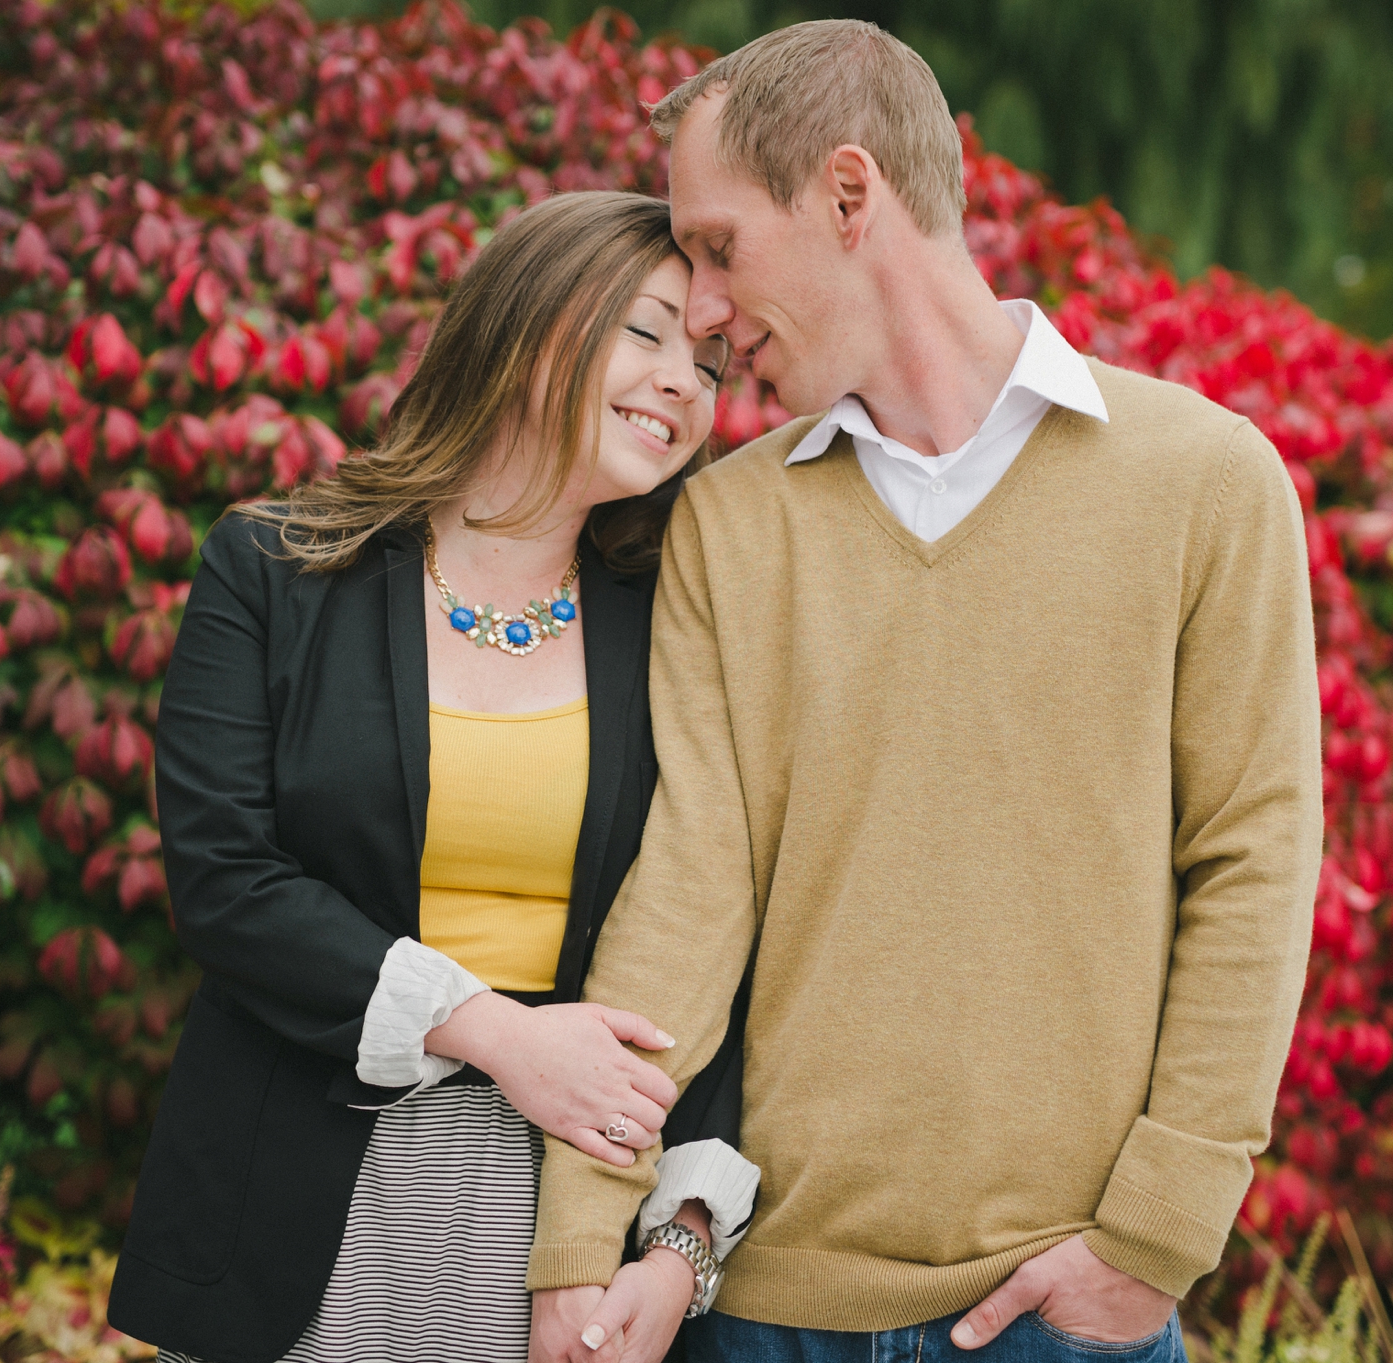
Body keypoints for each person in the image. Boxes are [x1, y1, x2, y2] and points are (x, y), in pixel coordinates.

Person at [526, 22, 1323, 1363]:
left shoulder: (1206, 481)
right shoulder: (731, 522)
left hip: (1065, 1316)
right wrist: (577, 1236)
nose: (704, 312)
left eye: (721, 248)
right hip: (767, 1308)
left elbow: (1252, 862)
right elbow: (691, 892)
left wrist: (1151, 1241)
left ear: (849, 195)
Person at [107, 191, 760, 1363]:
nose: (684, 382)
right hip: (287, 1192)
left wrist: (682, 1241)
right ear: (529, 323)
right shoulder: (272, 567)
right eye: (649, 332)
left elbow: (717, 925)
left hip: (563, 1209)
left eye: (710, 363)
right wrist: (499, 1033)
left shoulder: (677, 614)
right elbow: (225, 882)